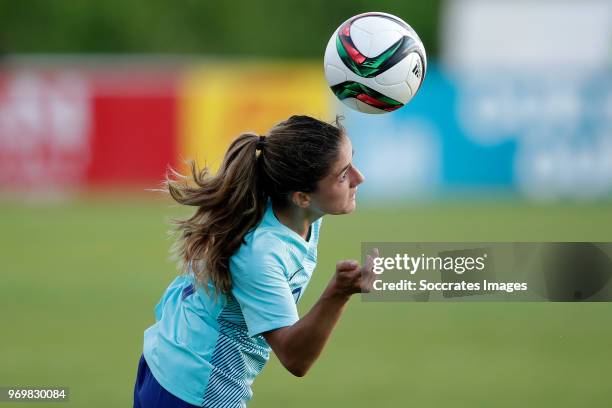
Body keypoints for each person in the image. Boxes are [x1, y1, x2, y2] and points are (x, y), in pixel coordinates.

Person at [133, 115, 377, 407]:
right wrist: (338, 293)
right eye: (343, 175)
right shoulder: (261, 253)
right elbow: (294, 357)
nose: (359, 178)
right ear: (301, 197)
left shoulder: (292, 209)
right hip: (194, 390)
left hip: (171, 362)